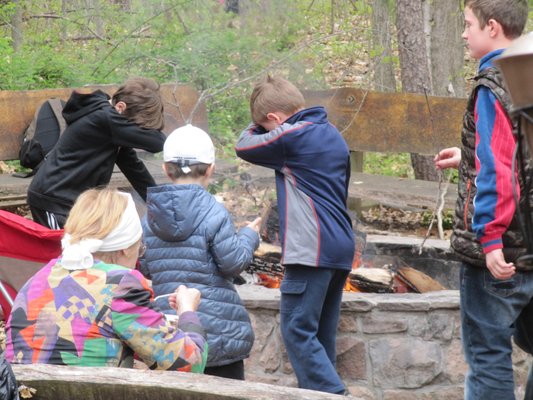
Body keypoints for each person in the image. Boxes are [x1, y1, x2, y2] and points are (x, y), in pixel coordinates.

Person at [235, 75, 355, 395]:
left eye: (266, 124)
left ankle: (337, 396)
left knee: (297, 330)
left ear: (274, 119)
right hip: (339, 247)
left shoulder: (291, 136)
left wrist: (256, 127)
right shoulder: (332, 134)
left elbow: (243, 145)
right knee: (320, 336)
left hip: (311, 249)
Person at [434, 1, 530, 398]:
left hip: (502, 254)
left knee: (488, 358)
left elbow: (498, 170)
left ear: (492, 27)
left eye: (467, 24)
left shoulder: (495, 83)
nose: (462, 33)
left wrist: (490, 238)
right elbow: (519, 154)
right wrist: (469, 155)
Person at [5, 187, 207, 372]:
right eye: (140, 249)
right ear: (126, 247)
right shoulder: (121, 285)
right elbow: (189, 365)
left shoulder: (35, 282)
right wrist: (187, 312)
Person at [140, 124, 261, 380]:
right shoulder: (214, 212)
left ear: (165, 168)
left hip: (172, 334)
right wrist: (249, 236)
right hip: (218, 332)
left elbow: (148, 267)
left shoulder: (149, 217)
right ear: (210, 169)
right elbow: (232, 264)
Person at [27, 77, 167, 229]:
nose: (133, 131)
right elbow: (158, 143)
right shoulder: (104, 119)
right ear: (120, 107)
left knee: (84, 249)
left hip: (73, 202)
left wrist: (156, 202)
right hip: (53, 200)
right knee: (63, 251)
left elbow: (133, 168)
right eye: (134, 127)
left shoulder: (110, 126)